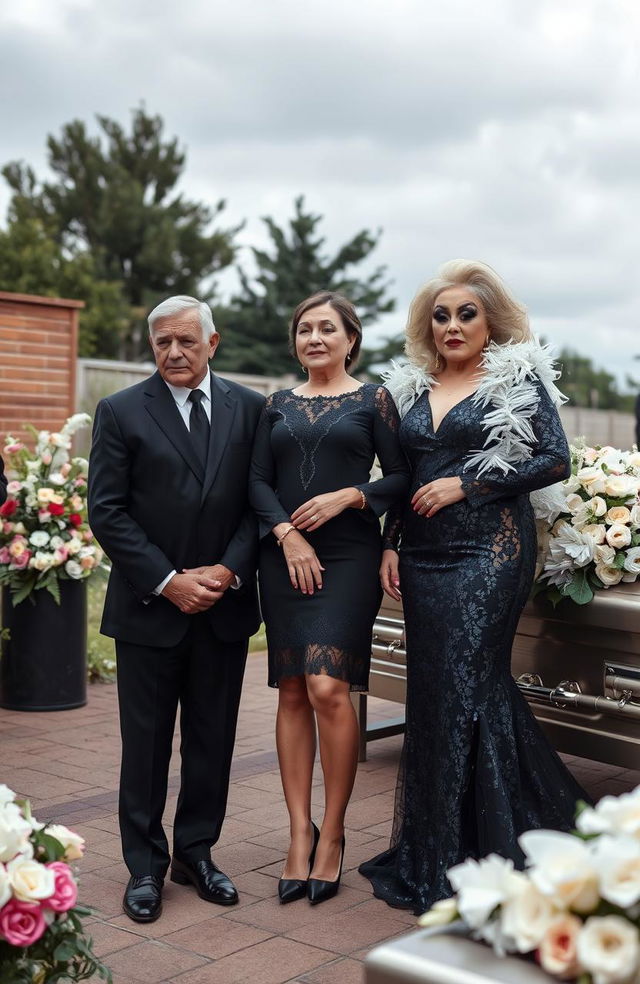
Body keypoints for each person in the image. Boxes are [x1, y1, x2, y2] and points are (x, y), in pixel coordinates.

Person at [359, 260, 587, 915]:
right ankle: (449, 845)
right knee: (439, 691)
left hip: (491, 548)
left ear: (490, 323)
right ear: (426, 326)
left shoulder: (514, 378)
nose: (453, 325)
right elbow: (400, 473)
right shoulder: (409, 389)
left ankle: (486, 852)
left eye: (466, 314)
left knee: (467, 679)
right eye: (441, 315)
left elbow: (553, 458)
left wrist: (470, 483)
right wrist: (389, 544)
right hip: (423, 557)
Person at [88, 295, 264, 923]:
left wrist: (226, 570)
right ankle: (145, 867)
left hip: (222, 606)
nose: (173, 353)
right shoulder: (120, 411)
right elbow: (105, 510)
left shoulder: (251, 408)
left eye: (187, 341)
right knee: (146, 746)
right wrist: (167, 580)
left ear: (212, 344)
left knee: (212, 742)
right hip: (149, 610)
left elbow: (257, 502)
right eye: (162, 342)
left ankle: (196, 853)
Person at [249, 291, 409, 905]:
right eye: (305, 330)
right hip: (284, 557)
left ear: (350, 338)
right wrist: (287, 535)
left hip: (347, 557)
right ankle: (298, 833)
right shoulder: (276, 405)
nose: (314, 338)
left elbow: (401, 479)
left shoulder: (374, 401)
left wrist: (351, 496)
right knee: (292, 688)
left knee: (327, 687)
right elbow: (257, 482)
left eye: (327, 329)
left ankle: (334, 832)